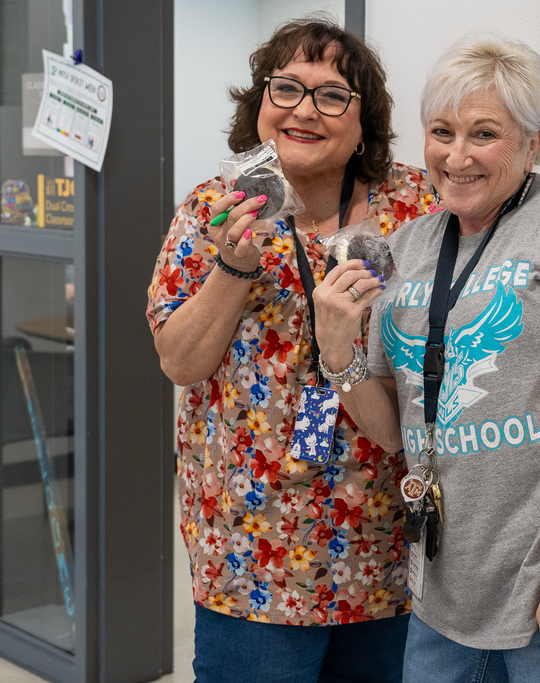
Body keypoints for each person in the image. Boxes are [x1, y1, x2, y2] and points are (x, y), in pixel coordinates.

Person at [313, 35, 540, 681]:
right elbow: (396, 430)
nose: (457, 154)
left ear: (534, 142)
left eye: (484, 133)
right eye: (441, 131)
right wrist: (337, 350)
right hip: (450, 592)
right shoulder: (409, 245)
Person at [146, 18, 438, 682]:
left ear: (366, 123)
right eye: (287, 88)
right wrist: (232, 267)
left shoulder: (416, 209)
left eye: (332, 95)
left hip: (386, 543)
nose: (305, 110)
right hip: (253, 553)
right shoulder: (213, 211)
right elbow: (180, 362)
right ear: (260, 106)